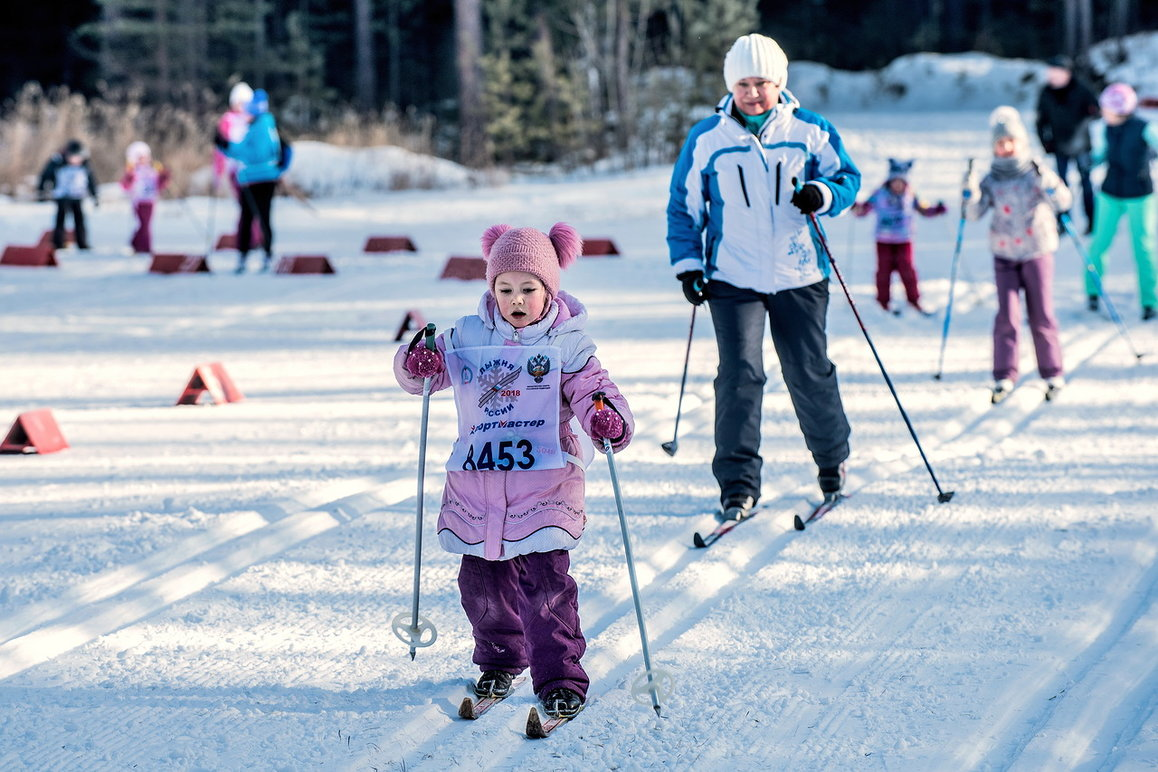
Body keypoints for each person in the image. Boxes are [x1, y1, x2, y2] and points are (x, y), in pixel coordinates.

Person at [393, 222, 634, 720]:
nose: (516, 299)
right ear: (491, 288)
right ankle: (501, 659)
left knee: (546, 586)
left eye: (529, 288)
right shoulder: (467, 334)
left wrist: (605, 418)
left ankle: (560, 676)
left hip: (543, 483)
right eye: (505, 289)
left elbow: (594, 389)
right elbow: (426, 373)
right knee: (480, 584)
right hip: (478, 485)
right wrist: (415, 362)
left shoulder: (568, 343)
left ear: (550, 289)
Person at [666, 32, 860, 520]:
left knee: (808, 369)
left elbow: (848, 180)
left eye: (763, 83)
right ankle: (737, 484)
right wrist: (689, 266)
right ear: (731, 86)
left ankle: (832, 462)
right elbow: (684, 209)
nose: (753, 93)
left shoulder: (810, 130)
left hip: (799, 273)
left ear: (781, 83)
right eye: (744, 84)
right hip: (733, 278)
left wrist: (821, 193)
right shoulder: (708, 138)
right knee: (739, 377)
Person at [964, 106, 1071, 404]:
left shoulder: (1034, 171)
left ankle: (1051, 371)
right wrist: (969, 190)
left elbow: (1063, 200)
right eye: (1000, 143)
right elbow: (973, 214)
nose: (1006, 147)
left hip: (1036, 250)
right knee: (1007, 316)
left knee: (1041, 314)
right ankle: (1004, 374)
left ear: (1021, 143)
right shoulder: (991, 178)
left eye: (1011, 141)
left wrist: (1048, 183)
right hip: (1004, 253)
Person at [1085, 83, 1158, 321]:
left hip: (1139, 194)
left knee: (1143, 247)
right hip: (1111, 192)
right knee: (1099, 243)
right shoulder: (1108, 128)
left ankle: (1150, 301)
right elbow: (1105, 153)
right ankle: (1092, 290)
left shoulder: (1144, 128)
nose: (1103, 113)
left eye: (1107, 109)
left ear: (1120, 110)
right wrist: (1091, 161)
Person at [852, 158, 947, 315]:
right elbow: (864, 209)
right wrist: (856, 207)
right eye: (895, 181)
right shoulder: (879, 193)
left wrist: (936, 210)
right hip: (884, 239)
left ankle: (914, 300)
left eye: (901, 181)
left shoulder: (911, 194)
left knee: (907, 269)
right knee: (884, 270)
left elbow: (923, 209)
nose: (898, 185)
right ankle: (883, 302)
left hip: (904, 239)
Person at [215, 88, 284, 273]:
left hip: (257, 179)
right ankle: (250, 255)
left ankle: (259, 254)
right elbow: (244, 150)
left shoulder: (260, 126)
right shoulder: (263, 125)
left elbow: (251, 153)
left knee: (255, 217)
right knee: (255, 218)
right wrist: (225, 146)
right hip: (254, 178)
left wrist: (226, 146)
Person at [1035, 55, 1100, 233]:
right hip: (1059, 146)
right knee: (1060, 186)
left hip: (1082, 146)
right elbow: (1041, 121)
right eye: (1050, 73)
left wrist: (1093, 111)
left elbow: (1096, 110)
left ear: (1067, 73)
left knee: (1086, 184)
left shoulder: (1081, 89)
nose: (1052, 76)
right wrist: (1045, 142)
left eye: (1056, 72)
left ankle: (1092, 220)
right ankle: (1064, 222)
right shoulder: (1046, 92)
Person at [37, 139, 99, 250]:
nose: (75, 161)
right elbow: (45, 176)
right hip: (62, 196)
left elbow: (91, 181)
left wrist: (95, 195)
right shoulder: (57, 163)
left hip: (78, 196)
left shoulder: (85, 166)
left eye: (78, 158)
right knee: (60, 220)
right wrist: (41, 190)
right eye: (73, 157)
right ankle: (58, 243)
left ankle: (82, 243)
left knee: (79, 220)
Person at [120, 141, 170, 254]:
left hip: (150, 200)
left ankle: (137, 244)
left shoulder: (153, 170)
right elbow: (125, 185)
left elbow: (160, 185)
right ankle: (143, 246)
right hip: (139, 201)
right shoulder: (133, 171)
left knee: (146, 224)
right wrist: (129, 178)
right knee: (144, 224)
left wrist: (164, 175)